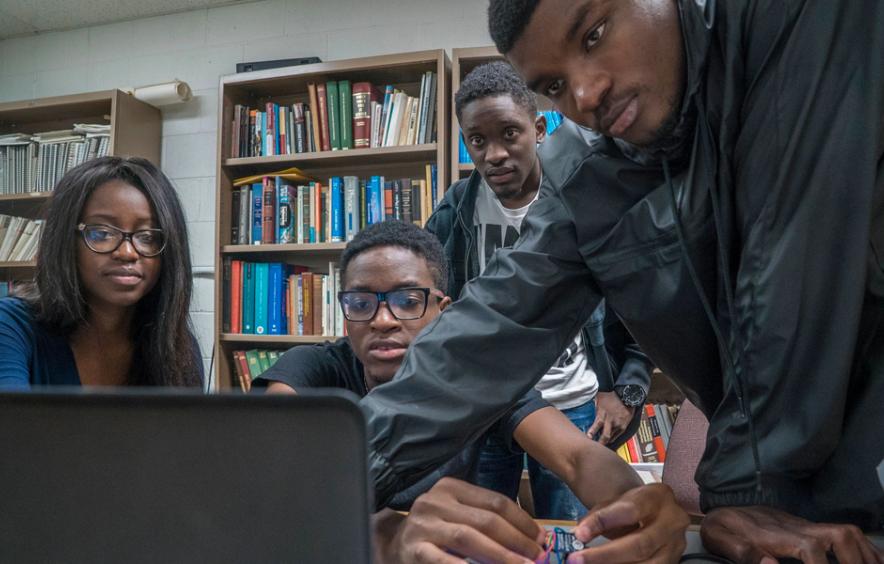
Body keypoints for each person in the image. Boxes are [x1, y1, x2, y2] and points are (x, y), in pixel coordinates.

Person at [359, 1, 884, 562]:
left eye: (594, 35)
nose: (584, 96)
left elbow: (792, 266)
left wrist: (741, 491)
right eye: (554, 85)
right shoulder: (587, 179)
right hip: (783, 518)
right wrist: (317, 481)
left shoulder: (798, 20)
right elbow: (484, 334)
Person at [254, 220, 688, 563]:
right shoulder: (308, 369)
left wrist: (635, 506)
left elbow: (576, 456)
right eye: (362, 302)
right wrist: (387, 535)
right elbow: (272, 489)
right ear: (345, 314)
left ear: (444, 312)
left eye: (408, 300)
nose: (383, 319)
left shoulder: (474, 376)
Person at [426, 60, 652, 520]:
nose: (494, 154)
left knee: (574, 538)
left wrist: (626, 390)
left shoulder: (581, 202)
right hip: (486, 408)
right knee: (481, 538)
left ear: (539, 128)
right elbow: (430, 303)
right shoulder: (455, 210)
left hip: (572, 410)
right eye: (478, 140)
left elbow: (643, 308)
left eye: (509, 133)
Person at [0, 156, 203, 389]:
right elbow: (10, 423)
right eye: (101, 233)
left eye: (148, 237)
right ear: (65, 240)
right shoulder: (11, 326)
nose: (127, 253)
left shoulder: (177, 348)